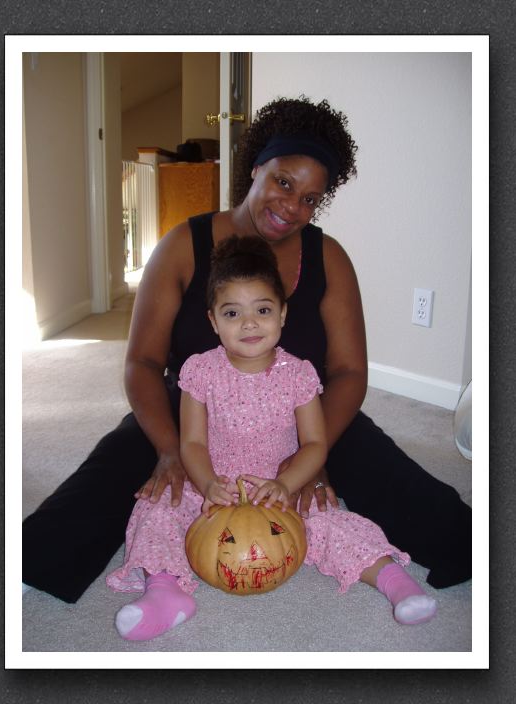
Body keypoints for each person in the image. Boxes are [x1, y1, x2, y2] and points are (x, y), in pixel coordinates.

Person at [22, 95, 471, 605]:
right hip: (193, 410)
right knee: (114, 478)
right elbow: (142, 363)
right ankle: (38, 565)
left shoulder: (329, 258)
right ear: (256, 167)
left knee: (405, 487)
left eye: (310, 198)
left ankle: (463, 549)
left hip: (301, 412)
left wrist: (312, 452)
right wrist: (170, 449)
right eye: (283, 182)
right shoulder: (180, 246)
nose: (292, 207)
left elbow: (348, 372)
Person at [106, 235, 437, 641]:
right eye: (232, 312)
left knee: (332, 523)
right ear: (213, 321)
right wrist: (207, 483)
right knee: (157, 507)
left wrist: (288, 483)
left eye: (262, 310)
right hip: (215, 486)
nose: (249, 323)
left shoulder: (298, 375)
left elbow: (315, 443)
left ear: (282, 314)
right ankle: (164, 592)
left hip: (279, 489)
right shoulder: (200, 372)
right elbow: (191, 443)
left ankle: (394, 582)